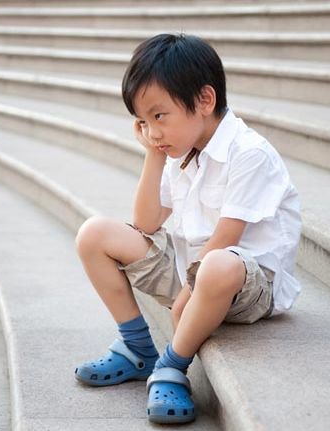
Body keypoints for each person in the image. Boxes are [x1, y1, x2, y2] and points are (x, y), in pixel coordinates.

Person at [73, 33, 301, 424]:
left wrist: (188, 295)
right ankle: (137, 348)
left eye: (159, 117)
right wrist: (152, 153)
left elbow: (227, 238)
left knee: (216, 265)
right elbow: (145, 222)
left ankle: (171, 365)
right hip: (191, 273)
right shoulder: (181, 151)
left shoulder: (248, 153)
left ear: (204, 100)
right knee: (94, 234)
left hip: (244, 287)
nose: (153, 131)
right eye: (143, 122)